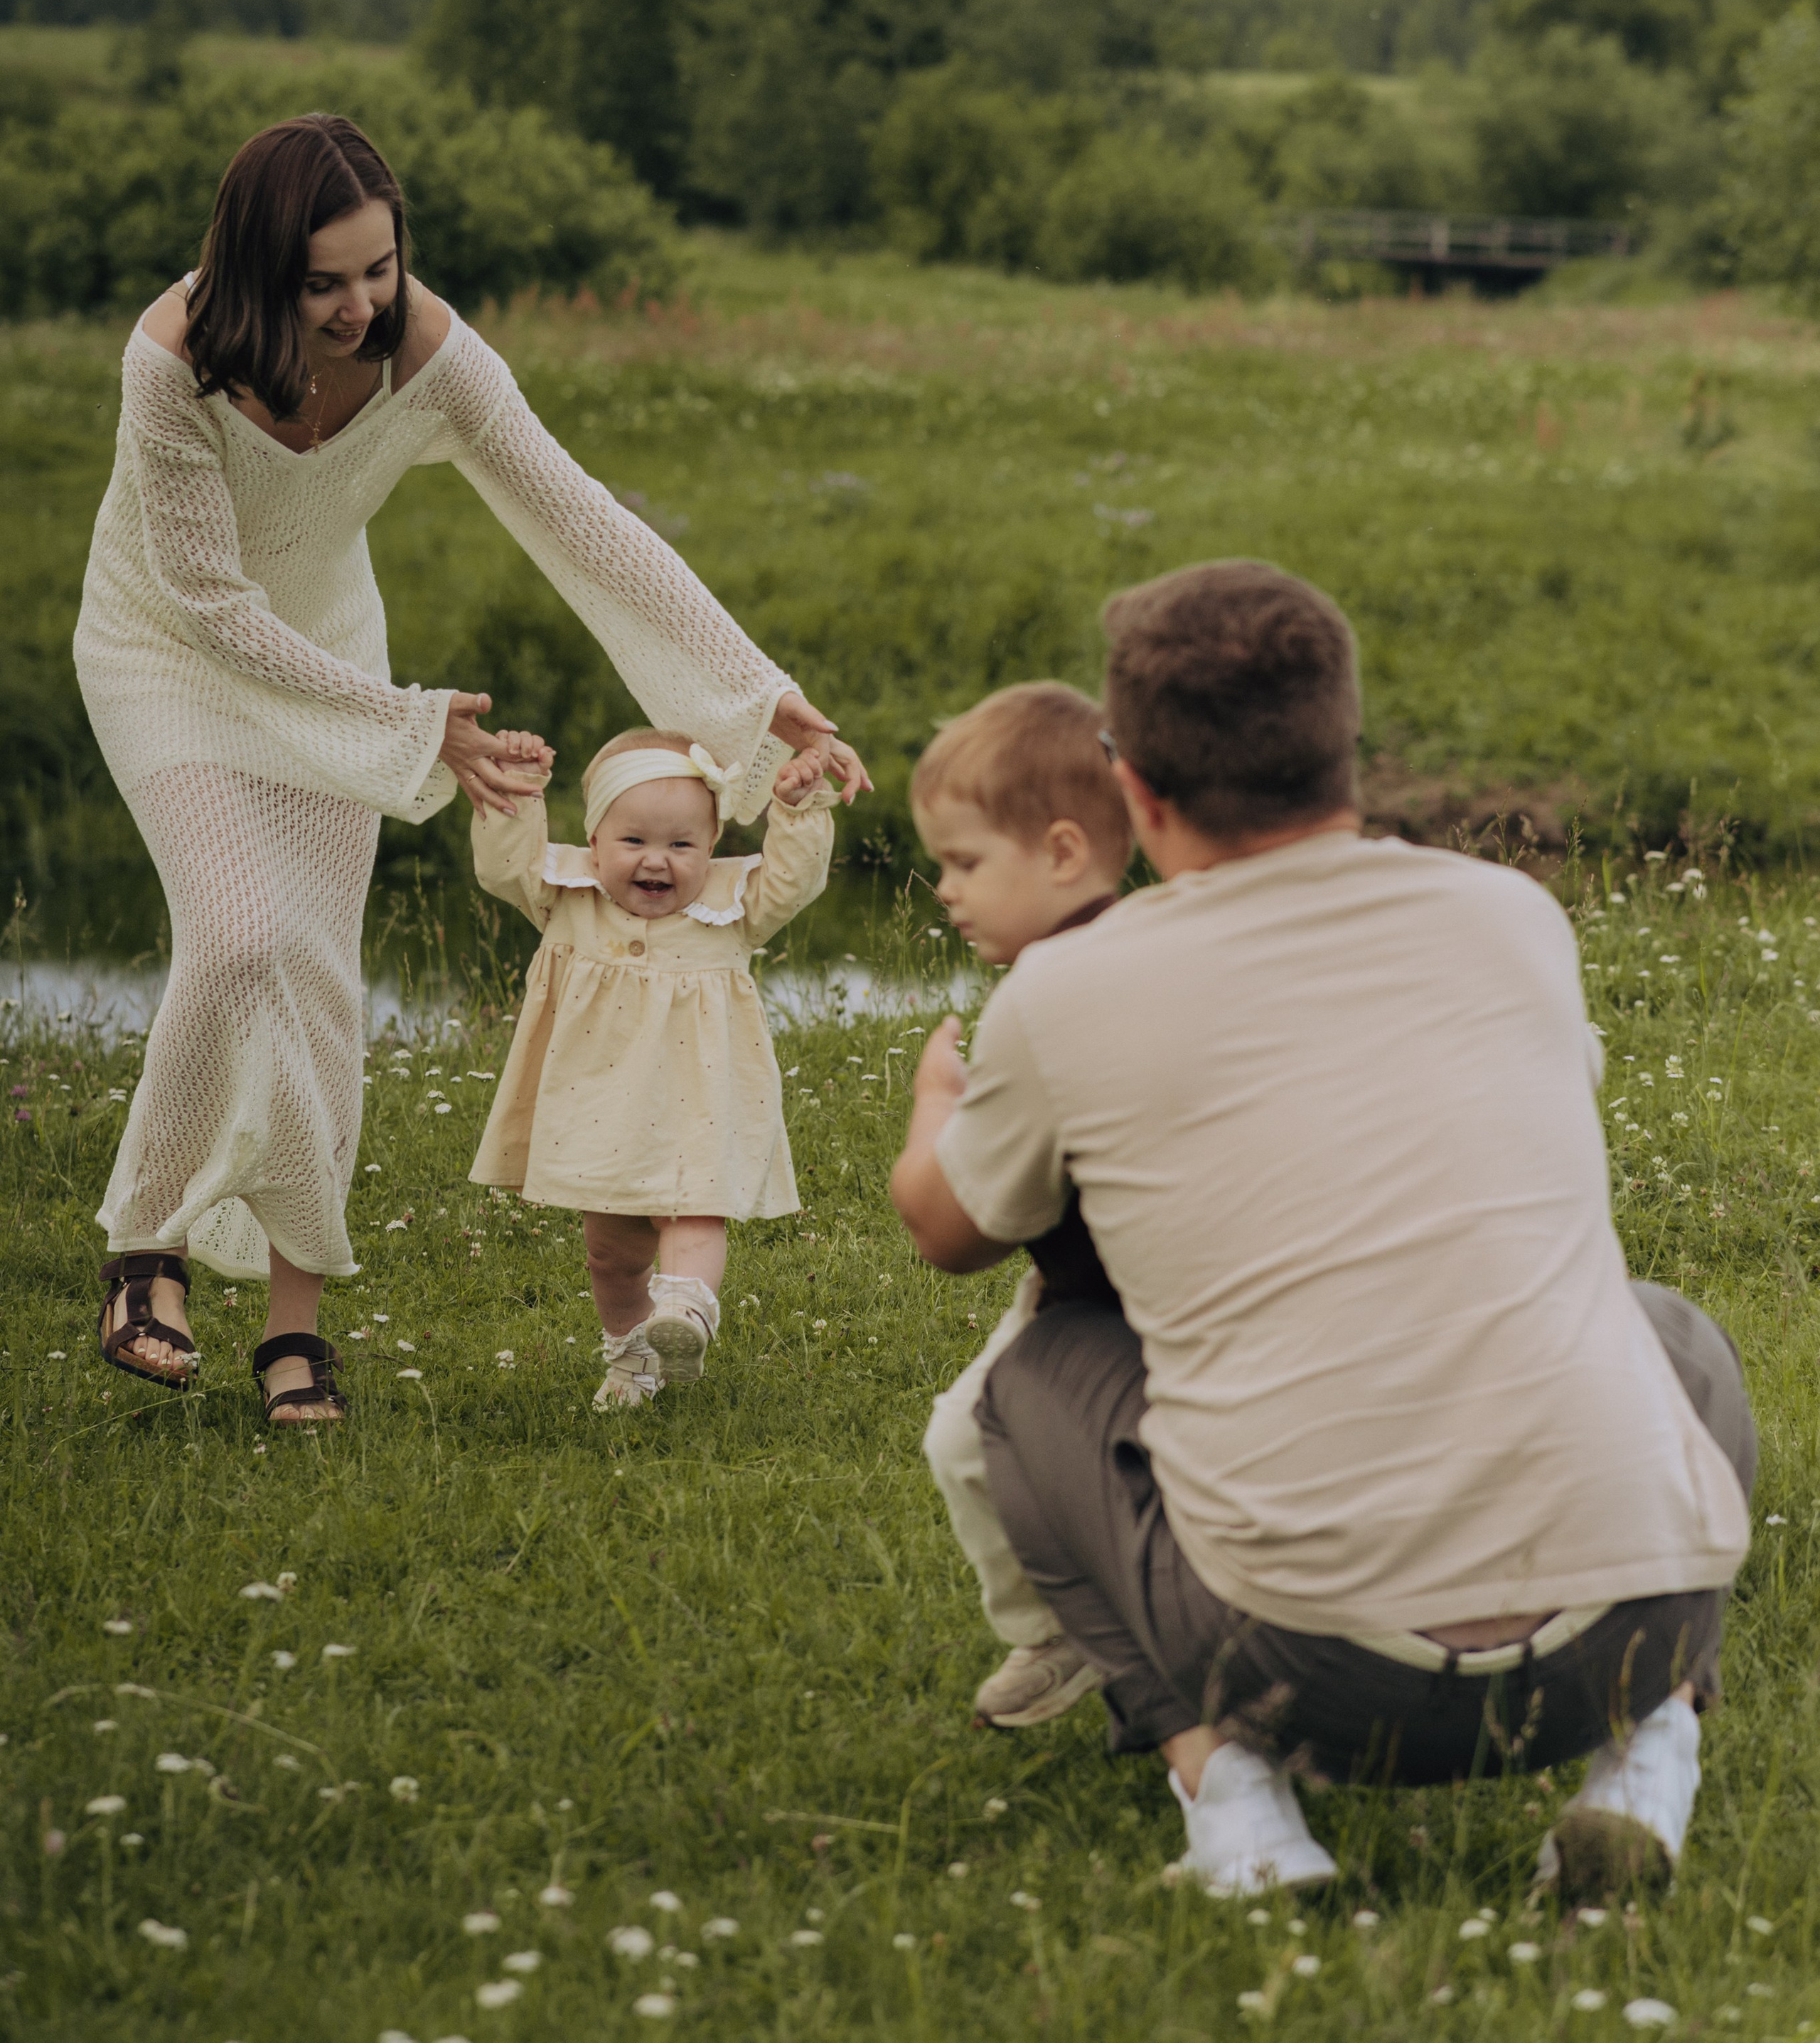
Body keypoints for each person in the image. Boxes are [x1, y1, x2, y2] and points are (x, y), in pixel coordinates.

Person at [892, 562, 1754, 1900]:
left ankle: (1242, 1815)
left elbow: (950, 1231)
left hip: (1320, 1680)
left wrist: (933, 1107)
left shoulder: (1067, 990)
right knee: (1670, 1331)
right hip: (1628, 1634)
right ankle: (1645, 1774)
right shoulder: (1513, 917)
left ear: (1131, 789)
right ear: (1343, 745)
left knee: (1031, 1382)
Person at [79, 112, 866, 1427]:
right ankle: (144, 1247)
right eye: (321, 282)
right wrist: (412, 720)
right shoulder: (171, 365)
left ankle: (294, 1335)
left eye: (378, 269)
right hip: (171, 653)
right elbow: (211, 602)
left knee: (319, 973)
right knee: (234, 939)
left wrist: (759, 697)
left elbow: (582, 521)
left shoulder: (433, 355)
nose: (357, 307)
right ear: (257, 270)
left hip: (333, 648)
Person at [466, 724, 839, 1406]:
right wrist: (516, 785)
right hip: (603, 1110)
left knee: (696, 1209)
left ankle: (688, 1310)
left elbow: (795, 878)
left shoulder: (732, 907)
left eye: (681, 845)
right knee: (611, 1254)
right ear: (596, 840)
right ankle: (631, 1355)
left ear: (714, 846)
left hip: (699, 1103)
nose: (657, 863)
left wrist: (798, 809)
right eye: (634, 842)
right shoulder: (566, 894)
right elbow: (502, 866)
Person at [911, 683, 1133, 1728]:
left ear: (1059, 852)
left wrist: (935, 1110)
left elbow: (953, 1223)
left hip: (1115, 1294)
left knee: (971, 1442)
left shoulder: (1045, 997)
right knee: (975, 1444)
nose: (945, 891)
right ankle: (1071, 1624)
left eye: (964, 863)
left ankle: (1083, 1629)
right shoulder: (1156, 942)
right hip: (1099, 1275)